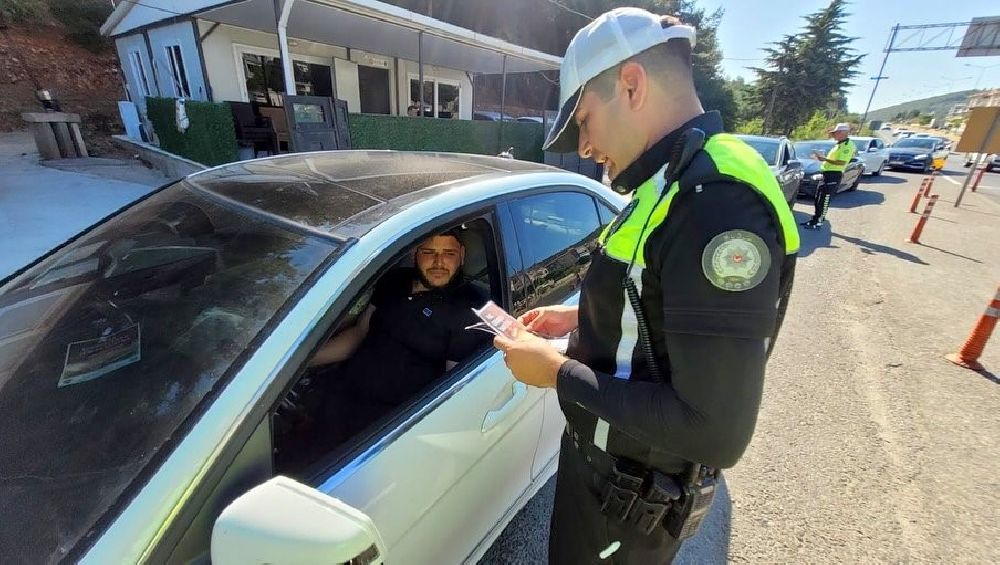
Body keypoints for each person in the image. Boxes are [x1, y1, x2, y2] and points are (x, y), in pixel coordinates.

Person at [491, 8, 799, 564]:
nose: (583, 146)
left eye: (583, 119)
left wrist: (556, 371)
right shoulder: (670, 181)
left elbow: (714, 430)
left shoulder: (717, 203)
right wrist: (583, 319)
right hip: (605, 474)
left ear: (631, 84)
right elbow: (653, 304)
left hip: (631, 504)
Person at [311, 230, 489, 439]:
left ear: (462, 254)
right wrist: (305, 363)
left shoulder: (469, 310)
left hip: (385, 430)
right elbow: (359, 334)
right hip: (338, 399)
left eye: (449, 254)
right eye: (429, 252)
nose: (438, 262)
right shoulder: (394, 281)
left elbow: (451, 391)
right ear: (415, 252)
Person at [803, 122, 856, 230]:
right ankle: (814, 219)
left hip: (833, 175)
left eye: (836, 133)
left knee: (824, 200)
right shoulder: (839, 144)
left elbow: (841, 162)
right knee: (818, 198)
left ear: (843, 133)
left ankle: (819, 222)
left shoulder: (847, 146)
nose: (834, 135)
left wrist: (825, 159)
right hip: (826, 173)